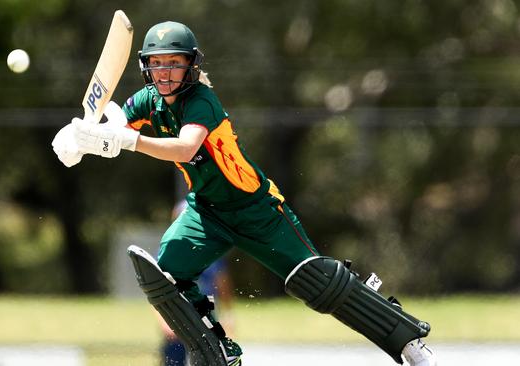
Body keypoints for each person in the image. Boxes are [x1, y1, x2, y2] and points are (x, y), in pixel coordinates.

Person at [52, 21, 437, 366]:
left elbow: (185, 148)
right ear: (146, 66)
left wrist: (122, 139)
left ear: (191, 65)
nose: (165, 72)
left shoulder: (201, 101)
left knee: (317, 282)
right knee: (166, 275)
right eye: (158, 63)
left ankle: (407, 341)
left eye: (174, 62)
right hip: (206, 213)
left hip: (257, 210)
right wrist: (82, 136)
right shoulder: (150, 100)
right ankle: (217, 354)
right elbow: (117, 115)